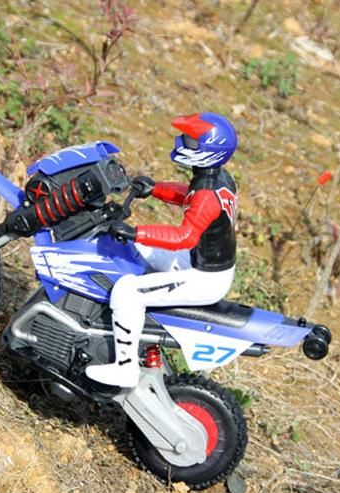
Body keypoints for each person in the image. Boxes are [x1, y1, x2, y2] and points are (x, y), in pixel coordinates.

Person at [85, 112, 239, 388]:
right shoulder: (218, 179)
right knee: (135, 249)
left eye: (192, 141)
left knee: (127, 291)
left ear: (210, 150)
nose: (183, 141)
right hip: (204, 262)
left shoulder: (207, 194)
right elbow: (189, 196)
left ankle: (125, 367)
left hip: (204, 277)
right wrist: (155, 189)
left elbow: (183, 236)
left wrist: (136, 231)